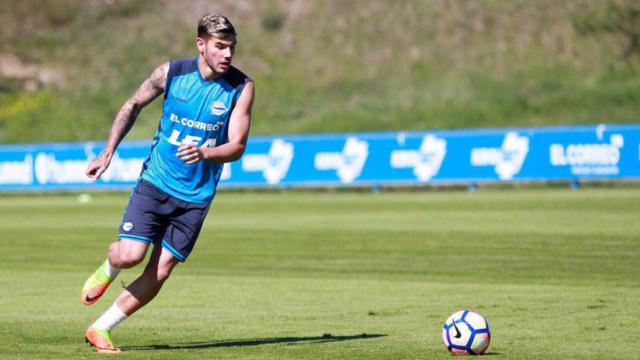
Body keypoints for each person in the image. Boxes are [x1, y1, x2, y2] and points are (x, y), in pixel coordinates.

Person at [80, 13, 254, 353]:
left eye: (231, 48)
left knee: (159, 271)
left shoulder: (242, 87)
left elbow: (237, 146)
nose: (227, 55)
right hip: (156, 183)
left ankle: (100, 328)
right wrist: (107, 151)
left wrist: (207, 153)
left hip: (196, 197)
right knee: (130, 255)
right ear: (200, 45)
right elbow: (133, 104)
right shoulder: (171, 74)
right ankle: (111, 265)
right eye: (220, 47)